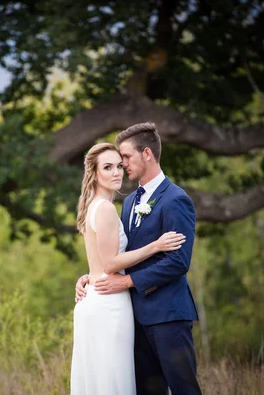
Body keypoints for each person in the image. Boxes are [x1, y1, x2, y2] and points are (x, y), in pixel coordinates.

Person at [75, 123, 203, 395]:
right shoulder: (130, 201)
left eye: (125, 159)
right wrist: (92, 274)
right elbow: (117, 254)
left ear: (147, 153)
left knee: (184, 389)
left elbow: (178, 262)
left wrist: (129, 281)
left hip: (168, 315)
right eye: (114, 163)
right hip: (134, 317)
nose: (122, 166)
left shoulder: (176, 199)